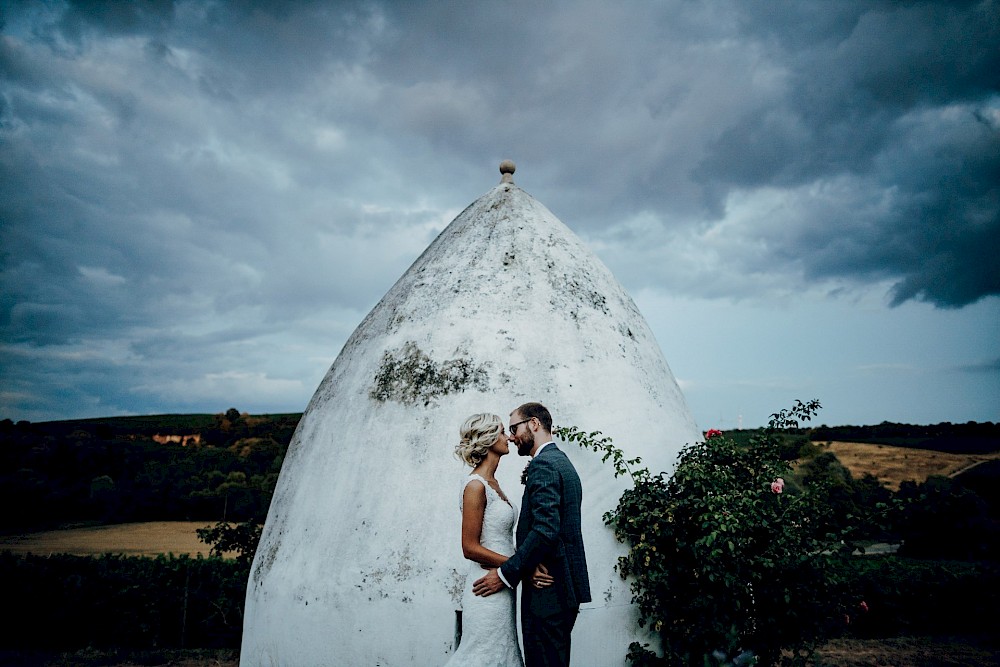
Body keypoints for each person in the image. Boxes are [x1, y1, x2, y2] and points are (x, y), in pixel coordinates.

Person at [473, 402, 591, 667]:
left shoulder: (545, 466)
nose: (512, 436)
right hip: (562, 588)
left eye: (514, 428)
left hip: (547, 590)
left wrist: (506, 574)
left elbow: (545, 530)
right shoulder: (560, 461)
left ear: (534, 424)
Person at [445, 413, 529, 666]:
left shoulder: (494, 483)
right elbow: (469, 548)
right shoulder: (475, 485)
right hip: (486, 586)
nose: (508, 438)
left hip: (503, 583)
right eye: (503, 432)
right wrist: (519, 567)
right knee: (483, 654)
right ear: (489, 438)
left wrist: (512, 571)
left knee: (503, 653)